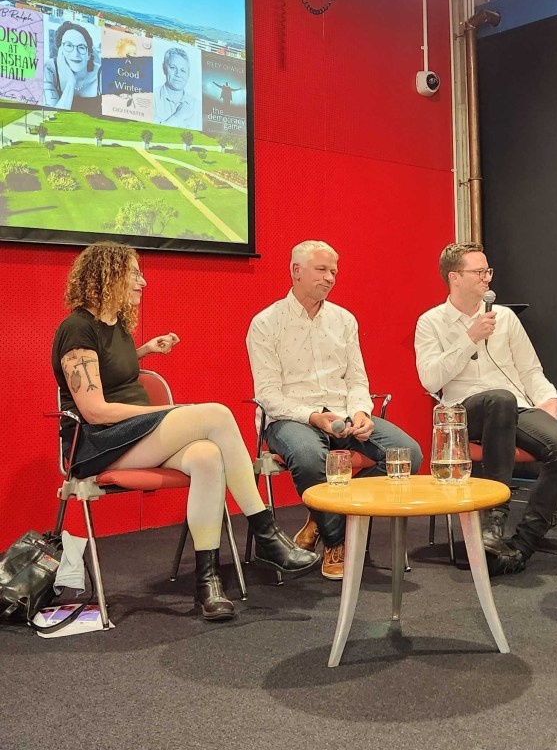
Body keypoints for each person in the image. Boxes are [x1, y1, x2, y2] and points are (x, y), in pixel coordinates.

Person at [51, 242, 317, 623]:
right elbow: (94, 410)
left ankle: (207, 584)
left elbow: (109, 367)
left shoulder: (116, 325)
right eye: (134, 273)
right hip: (97, 442)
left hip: (133, 435)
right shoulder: (76, 329)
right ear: (108, 276)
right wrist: (166, 411)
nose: (143, 282)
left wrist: (145, 350)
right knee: (217, 415)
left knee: (207, 457)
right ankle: (266, 533)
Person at [245, 240, 423, 581]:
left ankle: (325, 515)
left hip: (343, 414)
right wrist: (313, 417)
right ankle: (336, 540)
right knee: (310, 456)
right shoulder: (266, 323)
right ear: (296, 271)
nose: (330, 278)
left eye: (334, 272)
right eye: (322, 270)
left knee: (408, 455)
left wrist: (362, 412)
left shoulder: (344, 320)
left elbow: (357, 380)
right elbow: (267, 395)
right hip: (290, 418)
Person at [414, 242, 557, 576]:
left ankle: (522, 545)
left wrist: (549, 400)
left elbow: (530, 370)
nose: (487, 278)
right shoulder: (431, 322)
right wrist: (469, 338)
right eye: (478, 272)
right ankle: (494, 518)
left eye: (487, 271)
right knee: (499, 398)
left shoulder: (504, 317)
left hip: (515, 406)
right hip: (463, 413)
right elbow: (430, 380)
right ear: (454, 277)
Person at [41, 22, 100, 113]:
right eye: (69, 45)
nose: (75, 54)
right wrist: (71, 82)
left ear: (88, 55)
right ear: (60, 51)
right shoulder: (49, 69)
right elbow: (53, 116)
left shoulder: (102, 74)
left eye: (81, 47)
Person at [154, 47, 198, 127]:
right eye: (173, 68)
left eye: (183, 70)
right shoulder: (151, 98)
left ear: (188, 74)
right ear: (164, 68)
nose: (178, 74)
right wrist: (179, 116)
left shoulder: (197, 105)